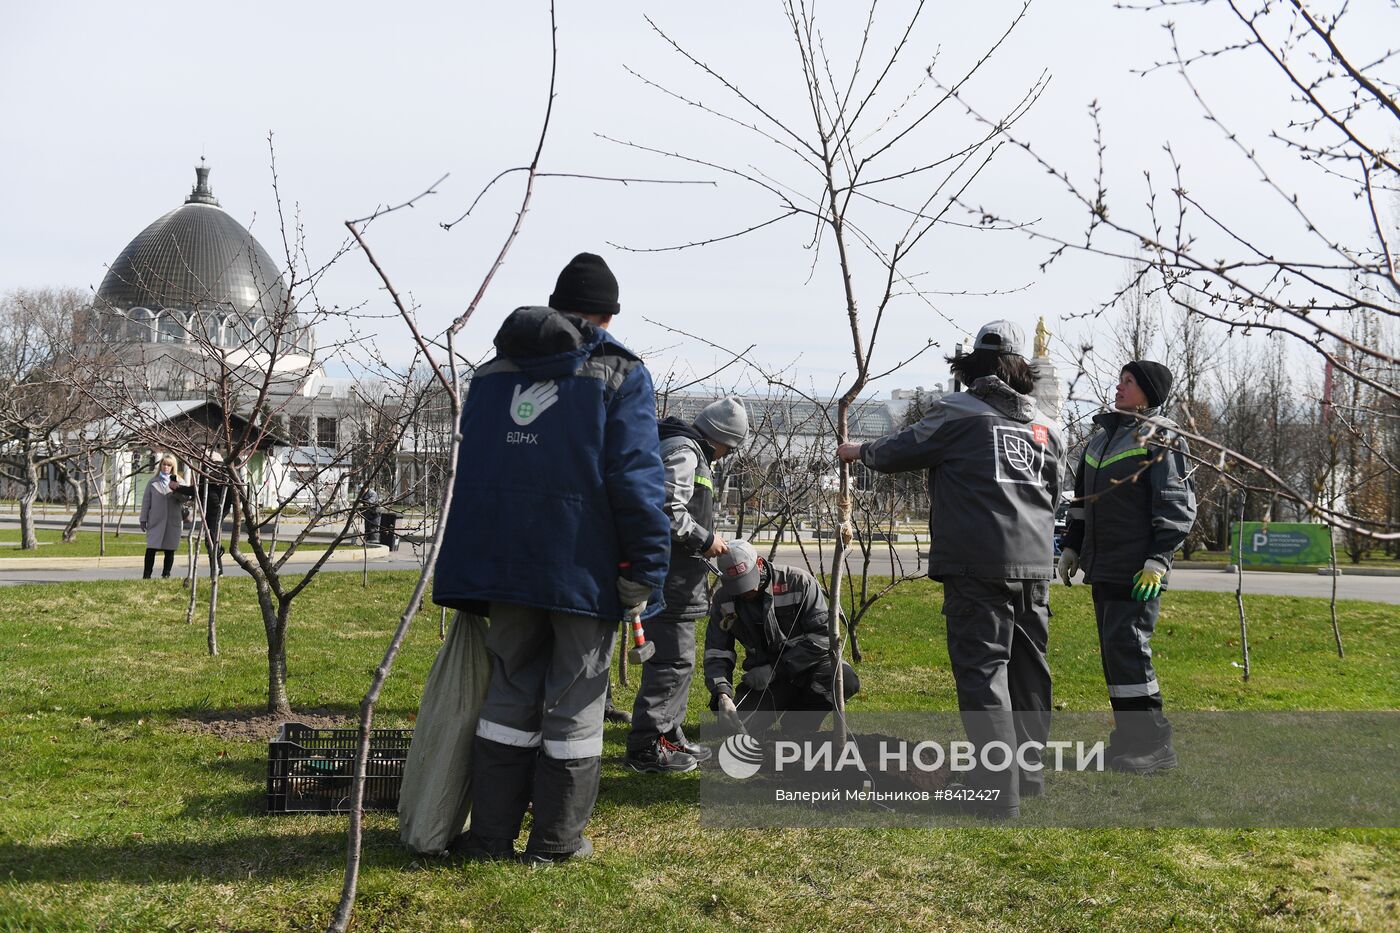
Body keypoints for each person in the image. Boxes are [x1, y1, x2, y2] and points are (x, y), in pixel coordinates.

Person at [433, 252, 669, 862]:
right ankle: (557, 842)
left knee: (509, 693)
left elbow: (475, 474)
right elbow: (637, 480)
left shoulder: (490, 375)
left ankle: (488, 837)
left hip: (503, 569)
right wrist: (647, 567)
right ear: (607, 316)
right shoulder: (620, 376)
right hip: (584, 571)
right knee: (575, 701)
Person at [837, 320, 1063, 818]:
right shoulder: (1045, 426)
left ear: (970, 365)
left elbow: (902, 449)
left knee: (983, 673)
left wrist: (858, 452)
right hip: (1034, 565)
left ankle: (994, 792)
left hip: (978, 562)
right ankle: (1028, 777)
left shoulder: (960, 412)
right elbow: (1053, 492)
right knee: (1029, 672)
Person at [1057, 360, 1197, 774]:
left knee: (1132, 654)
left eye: (1129, 382)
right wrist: (1072, 548)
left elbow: (1174, 503)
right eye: (1119, 380)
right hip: (1104, 567)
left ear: (1149, 392)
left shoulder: (1162, 436)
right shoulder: (1102, 439)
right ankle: (1130, 741)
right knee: (1116, 656)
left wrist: (1158, 559)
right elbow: (1082, 503)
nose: (1119, 387)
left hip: (1139, 573)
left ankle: (1155, 746)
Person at [625, 396, 749, 773]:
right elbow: (664, 507)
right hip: (669, 578)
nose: (726, 455)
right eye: (730, 447)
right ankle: (647, 746)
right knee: (671, 662)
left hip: (678, 577)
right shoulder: (685, 452)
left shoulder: (687, 449)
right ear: (721, 439)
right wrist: (704, 538)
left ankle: (669, 734)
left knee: (680, 660)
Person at [703, 539, 859, 732]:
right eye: (736, 586)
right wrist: (722, 694)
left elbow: (823, 638)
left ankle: (799, 721)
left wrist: (776, 669)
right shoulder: (724, 600)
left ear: (759, 564)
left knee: (844, 679)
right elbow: (717, 652)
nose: (744, 591)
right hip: (768, 682)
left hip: (810, 667)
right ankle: (778, 702)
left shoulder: (799, 583)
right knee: (734, 724)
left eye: (746, 581)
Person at [139, 453, 191, 579]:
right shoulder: (152, 482)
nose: (166, 467)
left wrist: (176, 489)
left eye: (169, 465)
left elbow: (186, 499)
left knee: (169, 549)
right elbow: (146, 502)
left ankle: (166, 574)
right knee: (151, 548)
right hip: (156, 521)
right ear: (160, 465)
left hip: (173, 521)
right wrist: (143, 519)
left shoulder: (180, 481)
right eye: (164, 464)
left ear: (173, 467)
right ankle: (146, 576)